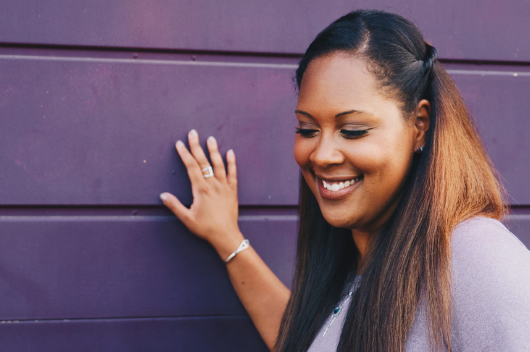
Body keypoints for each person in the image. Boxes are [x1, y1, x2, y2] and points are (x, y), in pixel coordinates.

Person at [158, 9, 530, 352]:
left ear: (420, 125)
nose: (321, 154)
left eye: (352, 130)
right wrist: (227, 237)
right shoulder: (360, 256)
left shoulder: (477, 259)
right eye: (307, 128)